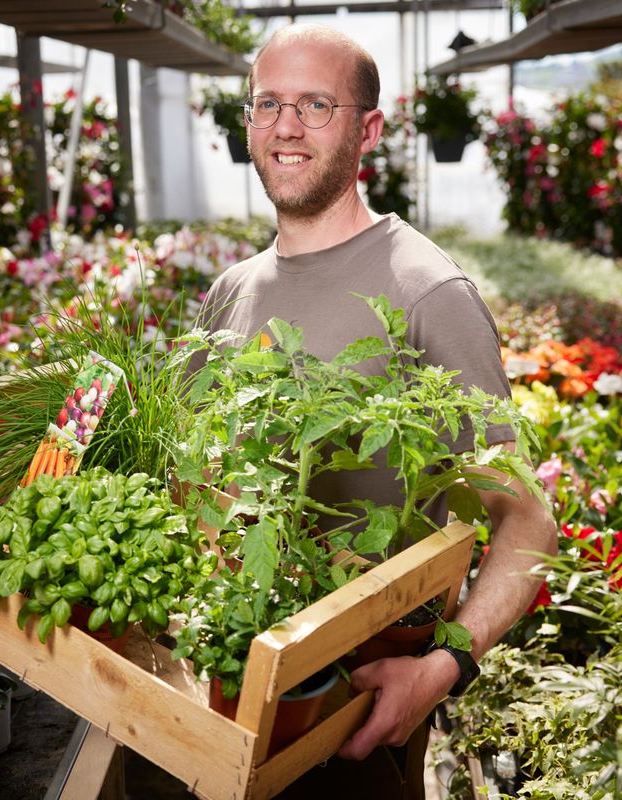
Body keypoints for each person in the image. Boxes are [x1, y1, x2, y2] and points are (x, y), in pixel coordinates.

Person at [194, 23, 559, 798]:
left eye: (315, 106)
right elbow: (193, 478)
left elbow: (526, 518)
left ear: (368, 131)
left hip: (350, 724)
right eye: (267, 104)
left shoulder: (427, 291)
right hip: (222, 692)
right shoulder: (229, 292)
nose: (286, 127)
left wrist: (444, 665)